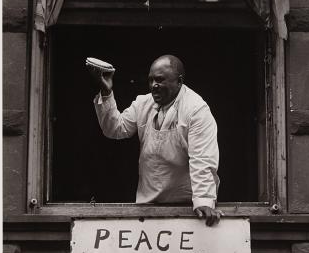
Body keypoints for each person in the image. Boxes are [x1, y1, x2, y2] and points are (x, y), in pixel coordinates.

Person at [88, 54, 222, 226]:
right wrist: (106, 92)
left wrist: (203, 200)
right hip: (147, 204)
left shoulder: (196, 109)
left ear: (179, 81)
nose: (154, 86)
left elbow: (202, 158)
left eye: (159, 80)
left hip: (188, 206)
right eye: (150, 80)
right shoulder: (143, 103)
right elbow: (115, 129)